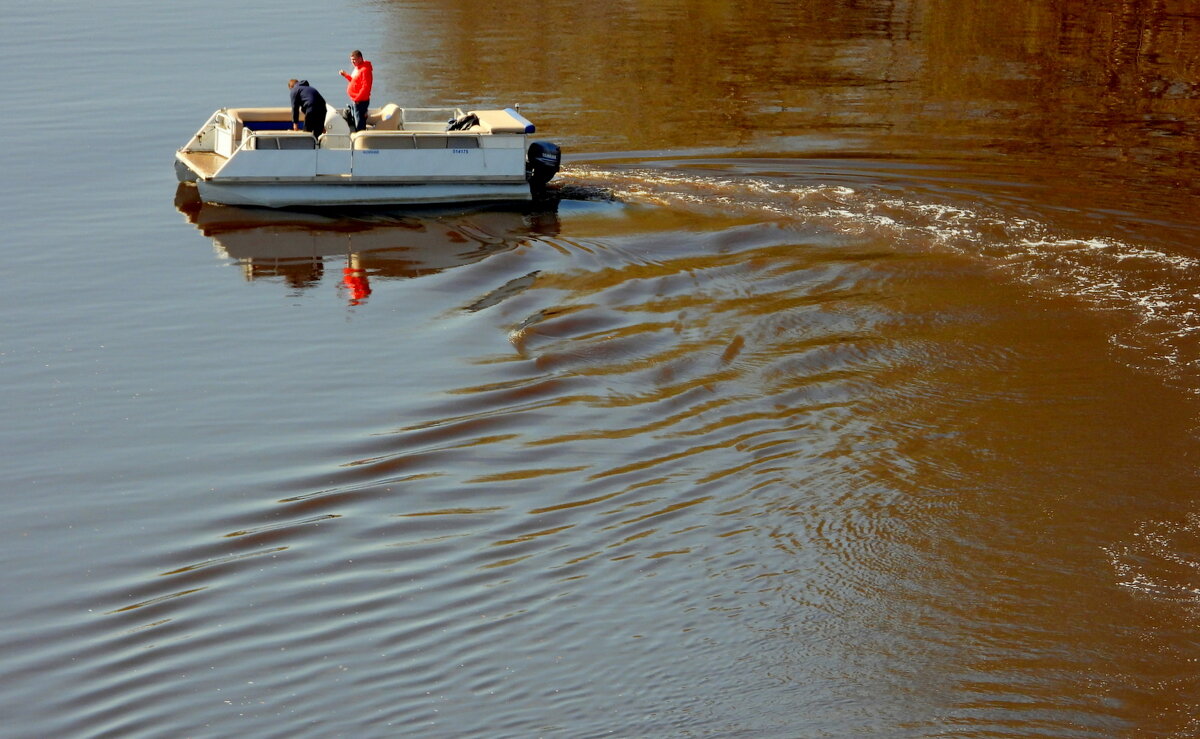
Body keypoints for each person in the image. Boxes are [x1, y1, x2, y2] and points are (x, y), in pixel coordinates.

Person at [339, 50, 373, 132]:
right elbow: (355, 82)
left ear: (360, 58)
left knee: (359, 122)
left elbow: (366, 87)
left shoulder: (365, 70)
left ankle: (361, 139)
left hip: (361, 101)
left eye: (354, 59)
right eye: (351, 60)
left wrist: (357, 99)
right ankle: (359, 135)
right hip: (356, 100)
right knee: (356, 119)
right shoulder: (358, 68)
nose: (352, 62)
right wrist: (346, 75)